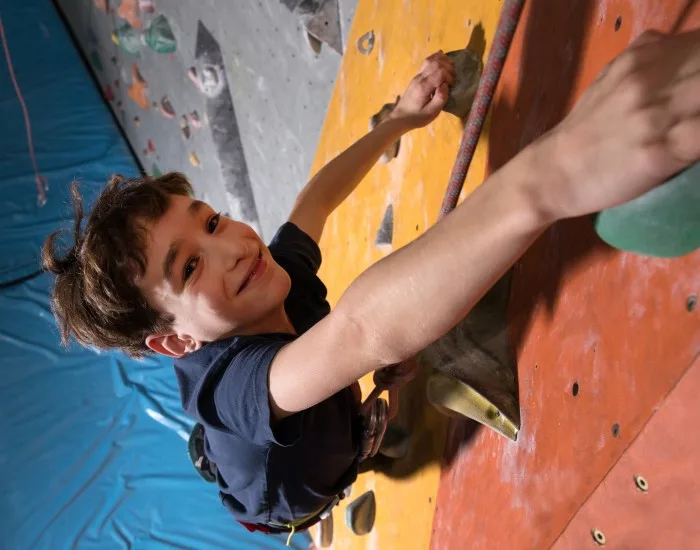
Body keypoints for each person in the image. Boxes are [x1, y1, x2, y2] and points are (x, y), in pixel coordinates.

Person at [43, 28, 700, 535]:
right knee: (349, 453)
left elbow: (314, 203)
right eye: (188, 267)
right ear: (177, 343)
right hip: (291, 493)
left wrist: (399, 122)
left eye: (211, 221)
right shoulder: (233, 387)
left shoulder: (263, 280)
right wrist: (548, 176)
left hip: (308, 412)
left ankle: (348, 434)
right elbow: (362, 328)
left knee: (328, 396)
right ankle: (357, 449)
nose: (232, 247)